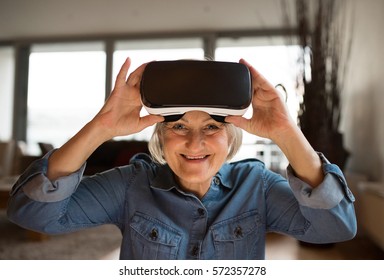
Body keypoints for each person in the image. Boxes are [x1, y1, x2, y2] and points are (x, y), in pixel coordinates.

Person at [7, 57, 357, 259]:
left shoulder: (257, 187)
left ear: (231, 134)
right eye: (178, 126)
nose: (194, 142)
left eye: (210, 126)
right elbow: (31, 212)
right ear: (160, 134)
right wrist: (101, 127)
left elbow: (336, 227)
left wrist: (285, 131)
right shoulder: (131, 186)